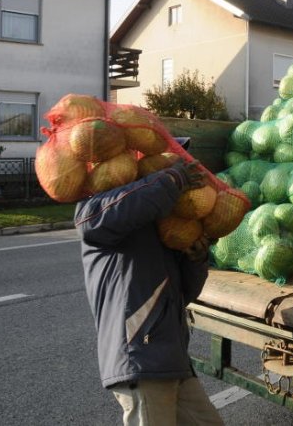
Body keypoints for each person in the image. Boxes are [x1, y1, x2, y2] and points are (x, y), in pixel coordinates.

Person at [75, 158, 225, 425]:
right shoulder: (97, 210)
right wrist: (170, 181)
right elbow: (117, 209)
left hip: (172, 359)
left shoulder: (163, 228)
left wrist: (195, 260)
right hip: (142, 360)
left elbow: (184, 294)